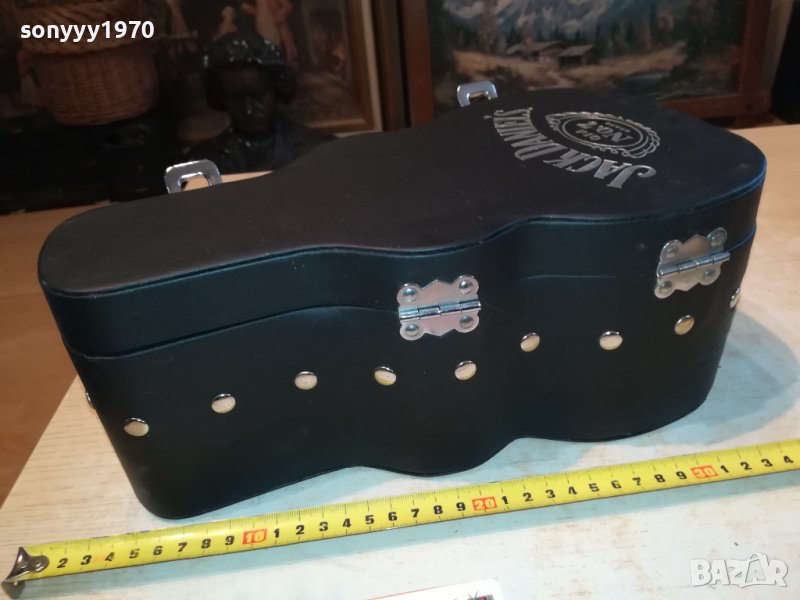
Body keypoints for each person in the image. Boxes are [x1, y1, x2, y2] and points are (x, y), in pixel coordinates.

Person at [188, 32, 332, 173]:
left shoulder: (320, 149)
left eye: (258, 96)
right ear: (222, 97)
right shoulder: (202, 162)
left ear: (276, 89)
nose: (248, 110)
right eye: (236, 99)